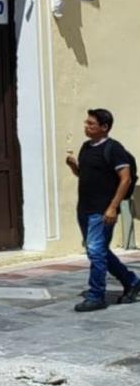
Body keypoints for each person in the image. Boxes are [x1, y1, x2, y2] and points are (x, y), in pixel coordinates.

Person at [65, 109, 140, 312]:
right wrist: (74, 167)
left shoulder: (114, 149)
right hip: (84, 209)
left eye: (91, 124)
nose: (86, 126)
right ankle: (132, 281)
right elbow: (86, 175)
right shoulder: (86, 147)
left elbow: (125, 179)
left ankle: (96, 295)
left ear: (104, 127)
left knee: (96, 252)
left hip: (103, 210)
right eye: (86, 123)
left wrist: (113, 207)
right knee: (98, 251)